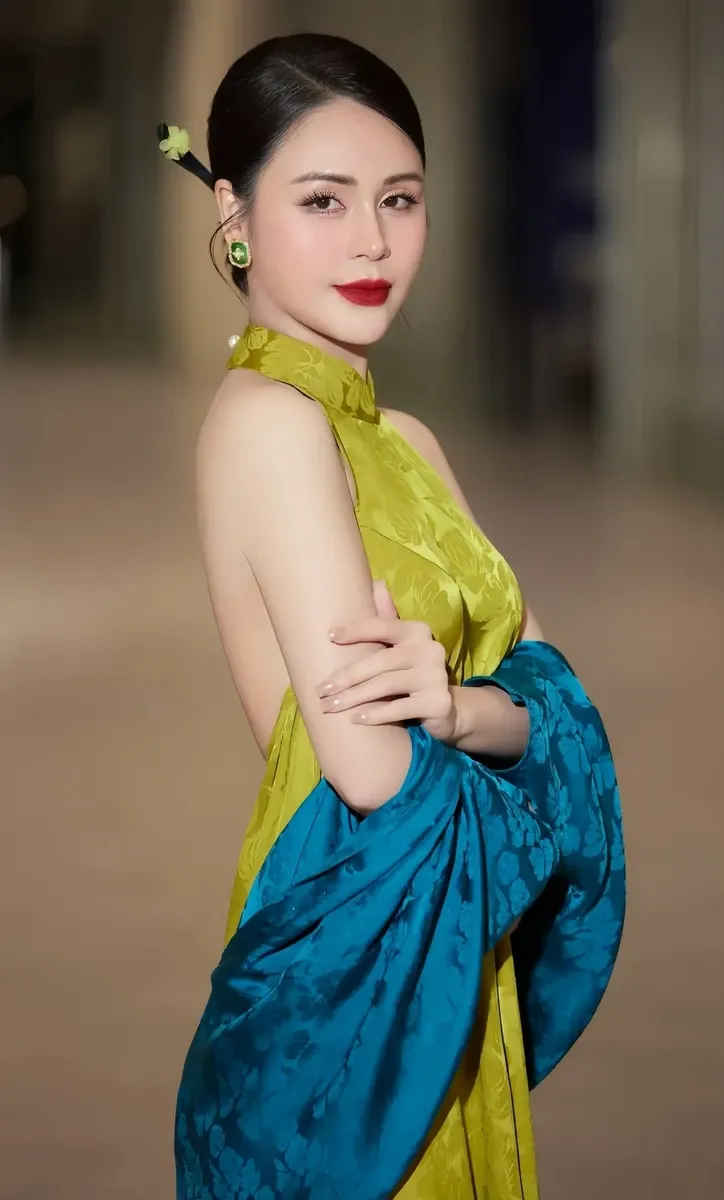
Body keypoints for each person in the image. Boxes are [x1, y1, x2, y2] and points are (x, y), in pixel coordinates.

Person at [159, 33, 625, 1200]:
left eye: (399, 198)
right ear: (233, 212)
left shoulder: (403, 440)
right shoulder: (269, 422)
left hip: (437, 955)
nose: (371, 241)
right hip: (356, 992)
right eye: (323, 199)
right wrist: (499, 715)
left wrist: (457, 709)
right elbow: (373, 770)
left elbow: (548, 696)